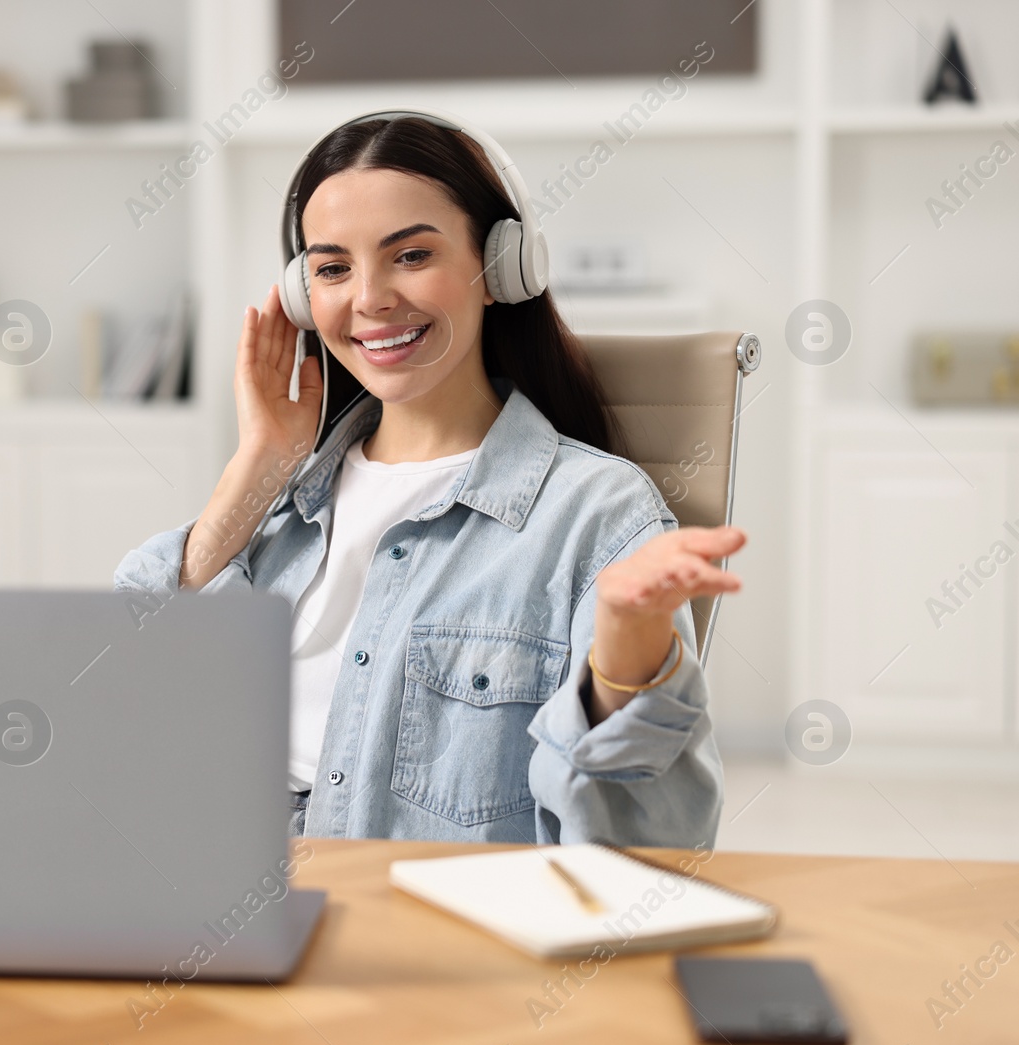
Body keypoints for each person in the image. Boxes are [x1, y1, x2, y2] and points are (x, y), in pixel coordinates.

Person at [114, 114, 746, 846]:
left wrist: (633, 656)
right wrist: (256, 464)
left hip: (427, 935)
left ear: (501, 268)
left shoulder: (597, 515)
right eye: (332, 267)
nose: (371, 298)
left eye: (410, 254)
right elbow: (128, 701)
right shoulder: (281, 505)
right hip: (217, 916)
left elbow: (658, 843)